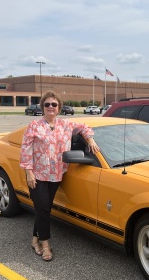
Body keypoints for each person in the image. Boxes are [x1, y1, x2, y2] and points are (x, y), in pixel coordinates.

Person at [20, 91, 100, 261]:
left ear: (59, 108)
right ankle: (46, 244)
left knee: (44, 209)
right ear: (42, 107)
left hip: (56, 175)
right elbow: (26, 149)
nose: (50, 107)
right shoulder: (35, 125)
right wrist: (29, 172)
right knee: (43, 209)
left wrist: (90, 139)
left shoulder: (66, 125)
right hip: (37, 175)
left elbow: (85, 127)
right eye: (47, 104)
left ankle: (35, 240)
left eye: (54, 105)